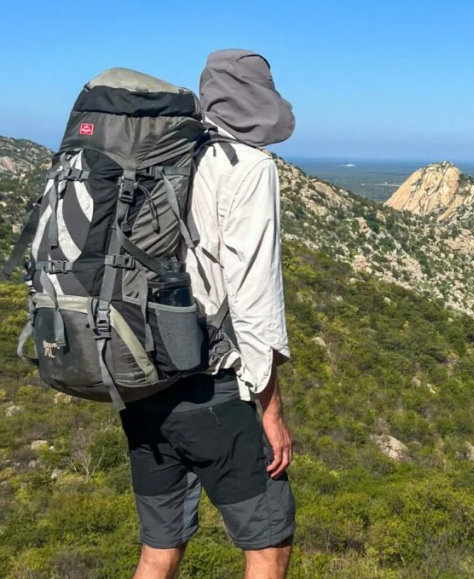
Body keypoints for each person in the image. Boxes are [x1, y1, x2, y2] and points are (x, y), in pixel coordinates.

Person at [121, 49, 297, 579]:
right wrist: (271, 412)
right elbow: (254, 302)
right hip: (209, 389)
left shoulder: (156, 155)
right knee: (268, 546)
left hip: (140, 382)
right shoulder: (247, 167)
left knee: (159, 549)